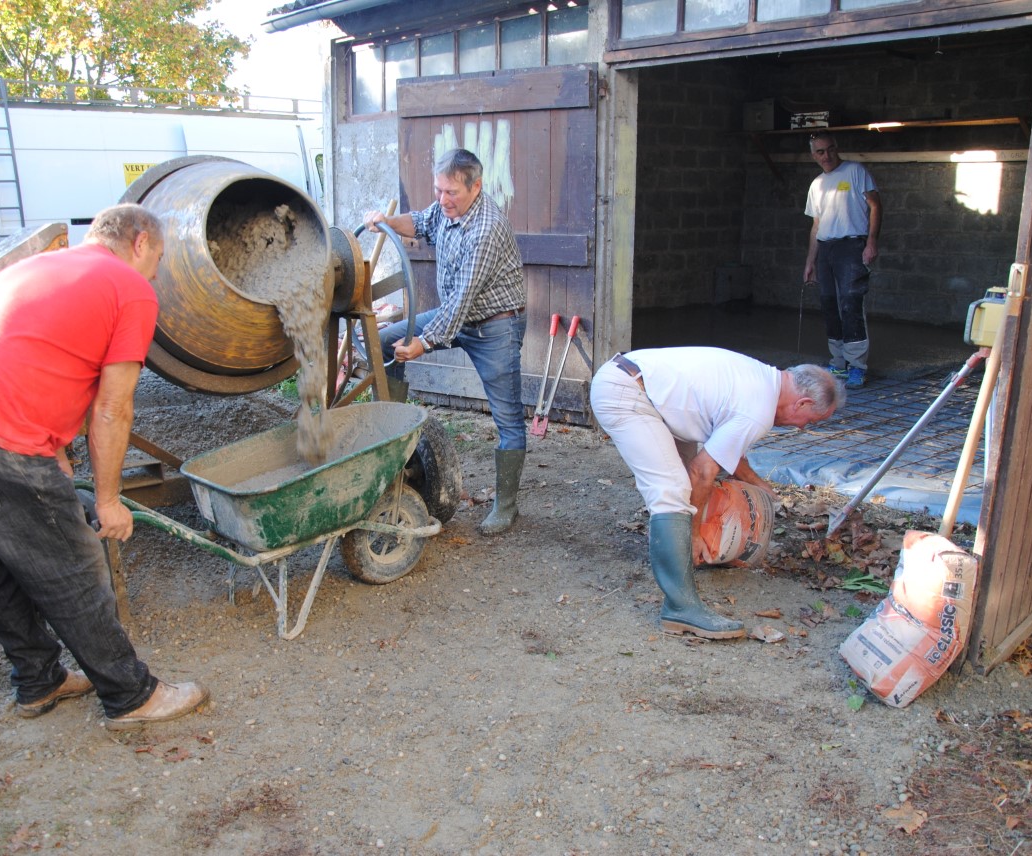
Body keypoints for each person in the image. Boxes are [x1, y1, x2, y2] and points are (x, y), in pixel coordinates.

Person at [0, 203, 208, 731]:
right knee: (73, 564)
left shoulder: (43, 266)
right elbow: (113, 407)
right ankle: (131, 696)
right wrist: (108, 502)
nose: (156, 271)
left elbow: (35, 357)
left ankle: (38, 681)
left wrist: (53, 452)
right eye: (157, 256)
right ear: (137, 242)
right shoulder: (129, 287)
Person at [590, 348, 844, 640]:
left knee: (686, 486)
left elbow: (724, 448)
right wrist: (694, 532)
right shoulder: (758, 410)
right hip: (627, 394)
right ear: (803, 403)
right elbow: (703, 472)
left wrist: (757, 483)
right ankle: (680, 608)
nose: (802, 427)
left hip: (641, 387)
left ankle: (680, 559)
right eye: (810, 421)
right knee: (674, 490)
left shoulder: (763, 380)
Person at [364, 148, 527, 535]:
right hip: (457, 314)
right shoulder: (445, 208)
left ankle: (506, 506)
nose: (443, 199)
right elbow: (419, 222)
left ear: (476, 186)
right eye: (439, 190)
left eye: (451, 192)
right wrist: (386, 221)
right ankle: (392, 437)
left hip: (494, 327)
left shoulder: (486, 228)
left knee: (508, 418)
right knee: (383, 340)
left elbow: (461, 300)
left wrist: (424, 342)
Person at [803, 131, 882, 389]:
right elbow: (816, 225)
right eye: (820, 152)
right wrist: (810, 262)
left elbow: (875, 205)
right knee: (829, 304)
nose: (826, 156)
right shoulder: (817, 184)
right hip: (826, 248)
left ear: (837, 148)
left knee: (850, 302)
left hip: (851, 244)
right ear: (813, 155)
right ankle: (838, 363)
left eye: (830, 150)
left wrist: (871, 242)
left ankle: (857, 365)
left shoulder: (855, 171)